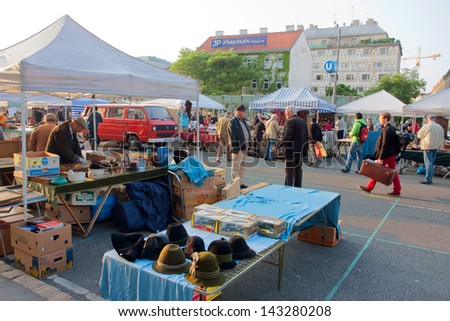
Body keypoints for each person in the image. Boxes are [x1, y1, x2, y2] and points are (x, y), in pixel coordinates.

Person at [358, 112, 402, 196]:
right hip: (392, 154)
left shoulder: (387, 129)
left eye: (381, 118)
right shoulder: (391, 128)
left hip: (386, 154)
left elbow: (384, 144)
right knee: (393, 173)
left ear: (385, 119)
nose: (379, 120)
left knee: (376, 171)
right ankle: (397, 189)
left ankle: (369, 187)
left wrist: (380, 157)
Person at [273, 107, 308, 188]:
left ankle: (288, 188)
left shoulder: (290, 122)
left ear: (291, 112)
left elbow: (287, 137)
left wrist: (277, 146)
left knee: (289, 170)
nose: (285, 114)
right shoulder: (302, 121)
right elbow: (306, 137)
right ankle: (298, 187)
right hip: (300, 150)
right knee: (298, 170)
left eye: (286, 112)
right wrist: (305, 151)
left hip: (291, 151)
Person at [416, 115, 445, 185]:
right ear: (435, 119)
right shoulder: (440, 127)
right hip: (436, 146)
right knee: (431, 163)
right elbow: (442, 137)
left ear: (428, 119)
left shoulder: (427, 126)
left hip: (427, 146)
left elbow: (419, 135)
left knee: (428, 163)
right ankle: (429, 178)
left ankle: (428, 179)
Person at [228, 105, 251, 189]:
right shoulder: (233, 122)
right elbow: (232, 136)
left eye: (244, 111)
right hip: (238, 148)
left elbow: (247, 133)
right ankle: (235, 183)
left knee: (242, 166)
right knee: (236, 166)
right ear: (237, 111)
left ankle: (240, 182)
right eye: (242, 111)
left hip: (245, 147)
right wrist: (235, 149)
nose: (244, 113)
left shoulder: (244, 121)